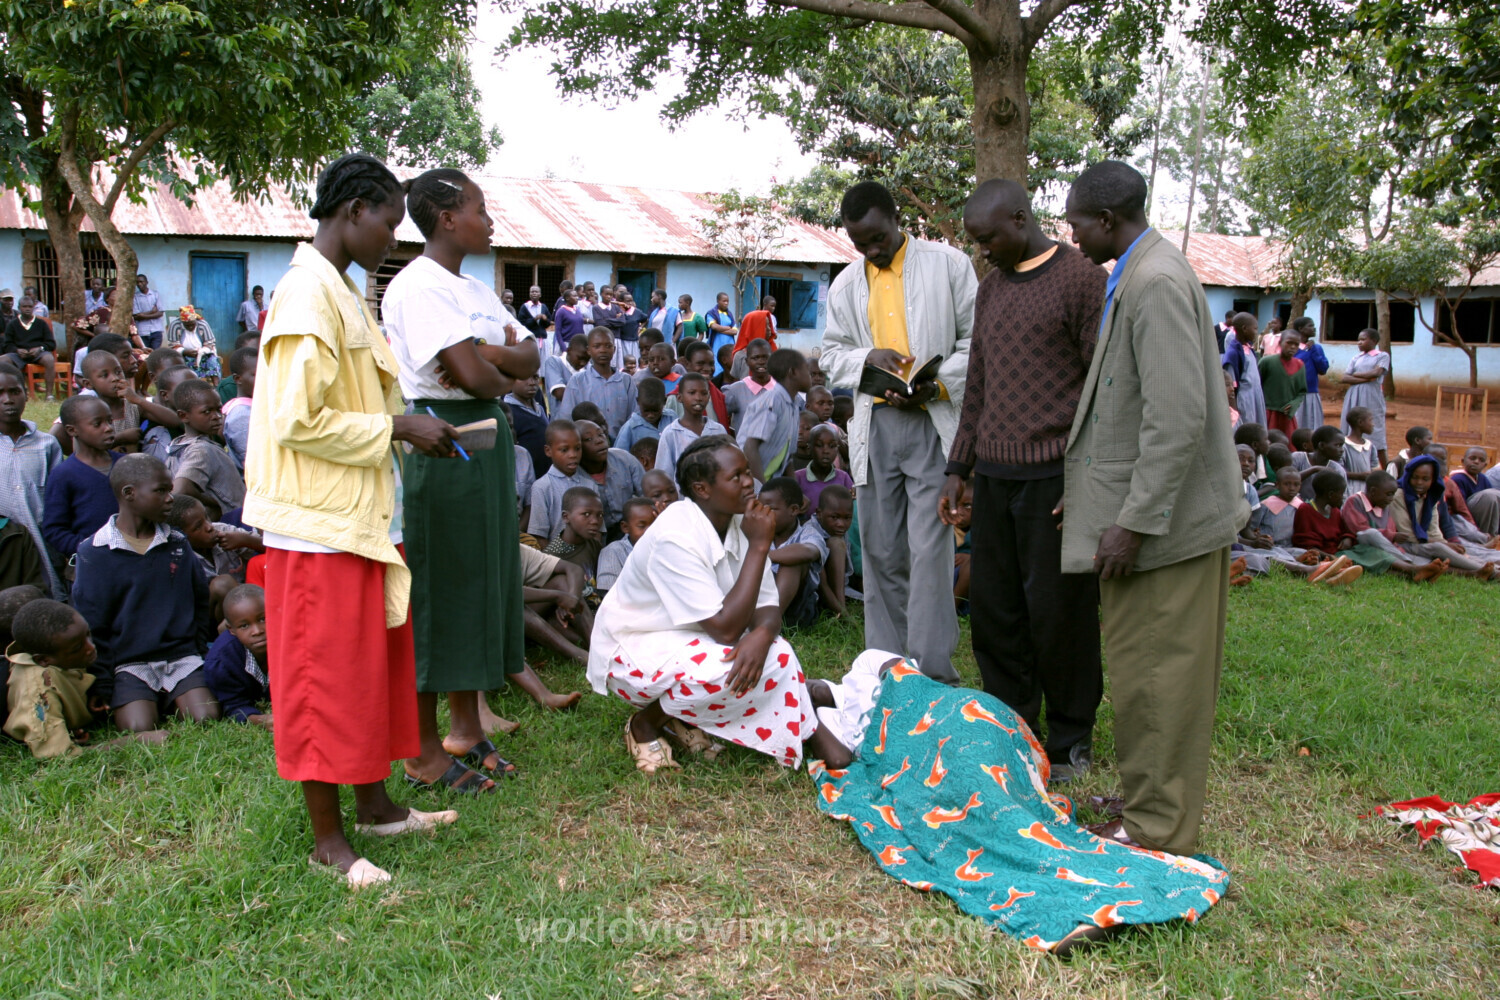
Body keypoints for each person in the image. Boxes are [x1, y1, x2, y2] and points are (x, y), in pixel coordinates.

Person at [244, 153, 464, 886]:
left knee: (369, 670)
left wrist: (405, 428)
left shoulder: (341, 289)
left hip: (360, 515)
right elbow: (296, 419)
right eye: (389, 223)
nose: (393, 240)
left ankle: (375, 807)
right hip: (316, 526)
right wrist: (400, 428)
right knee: (324, 679)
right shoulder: (305, 295)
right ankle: (328, 842)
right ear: (353, 210)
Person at [1060, 161, 1244, 854]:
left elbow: (1175, 419)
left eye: (1077, 223)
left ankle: (1158, 828)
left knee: (1162, 679)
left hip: (1167, 529)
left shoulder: (1157, 280)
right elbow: (1129, 409)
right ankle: (1146, 801)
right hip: (1150, 519)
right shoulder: (1138, 273)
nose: (1073, 235)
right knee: (1141, 673)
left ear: (1108, 220)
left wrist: (1133, 522)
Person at [383, 167, 545, 791]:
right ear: (448, 218)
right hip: (443, 438)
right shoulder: (418, 287)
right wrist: (493, 364)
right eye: (480, 208)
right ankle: (423, 748)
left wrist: (491, 356)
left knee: (480, 578)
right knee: (443, 584)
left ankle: (465, 728)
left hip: (487, 433)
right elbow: (470, 378)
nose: (490, 219)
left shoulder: (473, 288)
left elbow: (529, 358)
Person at [938, 178, 1106, 781]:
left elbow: (1102, 388)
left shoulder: (1082, 279)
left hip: (1055, 478)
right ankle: (1012, 727)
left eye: (987, 239)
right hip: (993, 476)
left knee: (1059, 614)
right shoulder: (990, 288)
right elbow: (978, 385)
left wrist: (1087, 480)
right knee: (995, 612)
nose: (982, 251)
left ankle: (1069, 739)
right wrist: (958, 468)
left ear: (1019, 218)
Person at [587, 435, 846, 773]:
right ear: (702, 489)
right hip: (634, 646)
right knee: (728, 668)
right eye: (735, 476)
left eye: (747, 472)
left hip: (694, 635)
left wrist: (763, 634)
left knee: (777, 653)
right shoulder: (675, 536)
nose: (749, 482)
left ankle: (799, 724)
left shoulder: (739, 520)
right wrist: (760, 546)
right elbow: (725, 631)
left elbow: (768, 606)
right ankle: (645, 724)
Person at [821, 180, 974, 685]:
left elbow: (977, 343)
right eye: (860, 242)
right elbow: (831, 356)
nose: (871, 249)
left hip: (932, 420)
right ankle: (888, 670)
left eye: (878, 238)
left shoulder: (949, 265)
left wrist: (935, 383)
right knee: (882, 550)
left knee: (930, 550)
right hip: (875, 425)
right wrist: (870, 358)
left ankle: (933, 673)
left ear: (895, 219)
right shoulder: (846, 284)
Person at [71, 454, 220, 735]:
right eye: (160, 491)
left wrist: (199, 652)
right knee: (138, 727)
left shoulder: (177, 543)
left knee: (206, 716)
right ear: (129, 493)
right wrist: (102, 681)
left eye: (170, 490)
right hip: (130, 663)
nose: (170, 499)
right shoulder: (95, 552)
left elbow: (199, 601)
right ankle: (151, 698)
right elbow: (93, 622)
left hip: (181, 656)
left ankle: (173, 693)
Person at [0, 364, 64, 597]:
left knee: (45, 596)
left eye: (14, 391)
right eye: (0, 393)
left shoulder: (46, 444)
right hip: (5, 546)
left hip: (42, 540)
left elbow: (57, 497)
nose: (8, 400)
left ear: (26, 394)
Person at [42, 396, 121, 559]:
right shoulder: (64, 474)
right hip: (92, 562)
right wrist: (86, 549)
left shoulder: (126, 465)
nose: (108, 428)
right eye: (97, 424)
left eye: (109, 421)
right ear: (72, 430)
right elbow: (54, 530)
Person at [1391, 455, 1494, 579]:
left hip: (1424, 542)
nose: (1419, 482)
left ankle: (1488, 566)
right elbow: (1407, 534)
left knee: (1458, 549)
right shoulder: (1398, 495)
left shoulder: (1431, 495)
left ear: (1433, 480)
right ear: (1408, 476)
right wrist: (1443, 545)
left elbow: (1434, 530)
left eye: (1425, 479)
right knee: (1438, 549)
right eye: (1415, 477)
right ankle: (1492, 572)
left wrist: (1447, 544)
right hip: (1404, 544)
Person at [165, 378, 244, 521]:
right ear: (183, 416)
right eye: (207, 412)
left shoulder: (178, 444)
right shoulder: (200, 450)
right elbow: (181, 489)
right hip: (231, 521)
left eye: (218, 410)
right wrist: (216, 504)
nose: (217, 417)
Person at [203, 583, 273, 729]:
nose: (257, 631)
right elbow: (233, 706)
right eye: (244, 626)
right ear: (231, 629)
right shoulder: (221, 662)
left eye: (263, 619)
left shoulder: (291, 643)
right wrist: (260, 720)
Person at [739, 347, 811, 484]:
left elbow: (786, 457)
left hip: (769, 483)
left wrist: (795, 490)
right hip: (749, 483)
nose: (810, 376)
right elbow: (750, 446)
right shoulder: (772, 401)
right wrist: (761, 488)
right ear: (793, 372)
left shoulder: (793, 406)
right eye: (807, 370)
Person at [560, 326, 636, 440]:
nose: (603, 350)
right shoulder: (577, 381)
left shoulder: (626, 381)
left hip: (622, 444)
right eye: (597, 346)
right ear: (589, 350)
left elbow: (634, 416)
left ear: (614, 349)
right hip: (588, 444)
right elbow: (567, 418)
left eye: (608, 346)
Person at [576, 418, 646, 538]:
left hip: (631, 530)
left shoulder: (624, 459)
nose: (599, 440)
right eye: (588, 439)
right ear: (577, 447)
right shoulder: (573, 477)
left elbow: (646, 494)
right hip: (595, 537)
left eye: (600, 434)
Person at [528, 419, 596, 543]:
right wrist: (552, 555)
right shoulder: (542, 487)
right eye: (564, 450)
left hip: (587, 551)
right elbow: (539, 535)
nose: (573, 455)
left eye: (577, 448)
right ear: (548, 451)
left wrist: (592, 552)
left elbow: (598, 532)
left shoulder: (590, 485)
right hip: (553, 553)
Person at [655, 372, 727, 485]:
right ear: (679, 397)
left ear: (709, 397)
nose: (698, 398)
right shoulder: (671, 433)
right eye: (692, 393)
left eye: (704, 393)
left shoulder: (718, 430)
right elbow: (663, 474)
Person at [541, 486, 605, 595]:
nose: (595, 521)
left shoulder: (594, 546)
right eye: (586, 514)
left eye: (600, 515)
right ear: (566, 517)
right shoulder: (552, 556)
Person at [1340, 328, 1390, 468]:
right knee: (1351, 425)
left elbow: (1377, 372)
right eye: (1358, 340)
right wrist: (1367, 378)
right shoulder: (1356, 358)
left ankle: (1387, 469)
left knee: (1376, 430)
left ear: (1374, 341)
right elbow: (1344, 377)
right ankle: (1349, 466)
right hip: (1353, 395)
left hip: (1371, 396)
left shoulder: (1382, 356)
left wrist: (1356, 375)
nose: (1359, 342)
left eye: (1363, 339)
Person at [1, 296, 57, 399]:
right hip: (18, 355)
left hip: (38, 354)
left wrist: (40, 349)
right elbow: (7, 344)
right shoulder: (12, 324)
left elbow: (51, 343)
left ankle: (49, 394)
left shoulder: (41, 323)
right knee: (2, 360)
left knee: (49, 359)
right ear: (19, 308)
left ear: (33, 307)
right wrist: (16, 350)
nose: (27, 309)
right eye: (24, 306)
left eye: (30, 306)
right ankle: (12, 392)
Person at [597, 496, 654, 593]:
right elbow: (608, 593)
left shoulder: (663, 548)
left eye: (654, 525)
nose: (650, 531)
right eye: (641, 526)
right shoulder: (613, 552)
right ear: (625, 527)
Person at [669, 340, 731, 428]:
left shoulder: (718, 396)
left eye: (711, 364)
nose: (707, 368)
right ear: (687, 364)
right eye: (700, 363)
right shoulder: (675, 398)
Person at [1222, 312, 1267, 430]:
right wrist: (1234, 412)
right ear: (1244, 329)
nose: (1256, 332)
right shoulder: (1233, 354)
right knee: (1248, 428)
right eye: (1255, 329)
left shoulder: (1249, 349)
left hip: (1255, 396)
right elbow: (1231, 387)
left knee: (1258, 428)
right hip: (1245, 400)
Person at [795, 424, 854, 514]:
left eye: (832, 446)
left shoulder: (843, 478)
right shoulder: (798, 477)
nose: (826, 451)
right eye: (819, 445)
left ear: (837, 449)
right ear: (809, 448)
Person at [1258, 327, 1306, 437]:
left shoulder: (1299, 365)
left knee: (1288, 442)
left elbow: (1301, 392)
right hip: (1268, 412)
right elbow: (1258, 386)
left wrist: (1294, 404)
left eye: (1296, 344)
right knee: (1267, 440)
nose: (1293, 347)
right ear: (1280, 343)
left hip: (1286, 415)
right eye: (1289, 343)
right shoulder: (1267, 362)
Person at [721, 337, 775, 433]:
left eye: (765, 357)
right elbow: (719, 416)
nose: (761, 362)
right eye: (755, 358)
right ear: (747, 361)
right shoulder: (735, 391)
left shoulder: (783, 390)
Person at [614, 376, 677, 454]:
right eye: (646, 411)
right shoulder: (630, 428)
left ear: (665, 401)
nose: (650, 415)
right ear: (638, 401)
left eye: (655, 411)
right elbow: (620, 455)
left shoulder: (672, 418)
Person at [506, 372, 551, 474]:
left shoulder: (539, 408)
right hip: (525, 476)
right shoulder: (508, 412)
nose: (532, 382)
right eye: (524, 377)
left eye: (535, 377)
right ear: (511, 380)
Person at [223, 347, 258, 471]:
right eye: (256, 375)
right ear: (238, 379)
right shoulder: (242, 414)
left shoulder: (252, 405)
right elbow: (252, 461)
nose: (263, 379)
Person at [1291, 317, 1329, 430]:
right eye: (1310, 326)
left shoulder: (1316, 348)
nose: (1314, 328)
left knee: (1312, 426)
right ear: (1300, 329)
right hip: (1294, 394)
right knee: (1295, 425)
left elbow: (1323, 369)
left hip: (1311, 393)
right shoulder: (1293, 348)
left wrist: (1314, 351)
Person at [1292, 425, 1347, 502]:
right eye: (1337, 445)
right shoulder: (1298, 458)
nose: (1342, 450)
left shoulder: (1337, 470)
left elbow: (1340, 499)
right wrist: (1315, 469)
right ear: (1321, 445)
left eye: (1342, 446)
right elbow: (1287, 480)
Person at [1453, 445, 1500, 535]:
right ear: (1463, 461)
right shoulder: (1458, 479)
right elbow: (1459, 507)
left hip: (1483, 515)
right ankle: (1484, 535)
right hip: (1465, 519)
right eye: (1472, 458)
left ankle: (1493, 534)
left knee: (1495, 496)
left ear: (1485, 465)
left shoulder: (1483, 478)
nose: (1476, 462)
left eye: (1481, 460)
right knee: (1490, 496)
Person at [545, 330, 588, 409]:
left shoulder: (588, 368)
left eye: (587, 360)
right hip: (561, 416)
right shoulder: (554, 362)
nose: (583, 363)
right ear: (568, 350)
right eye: (580, 358)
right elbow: (560, 393)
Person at [1340, 406, 1377, 495]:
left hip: (1366, 492)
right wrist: (1359, 476)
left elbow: (1374, 467)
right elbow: (1338, 471)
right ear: (1360, 422)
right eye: (1370, 420)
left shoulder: (1370, 446)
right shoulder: (1343, 446)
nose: (1373, 424)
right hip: (1348, 492)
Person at [705, 292, 737, 375]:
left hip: (729, 345)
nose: (726, 303)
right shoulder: (711, 313)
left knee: (730, 364)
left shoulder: (729, 314)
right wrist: (727, 328)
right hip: (716, 345)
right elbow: (714, 326)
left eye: (727, 301)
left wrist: (720, 329)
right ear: (718, 301)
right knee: (717, 365)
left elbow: (735, 331)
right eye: (724, 301)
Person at [552, 288, 585, 357]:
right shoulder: (561, 311)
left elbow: (581, 328)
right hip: (566, 344)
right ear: (567, 298)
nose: (577, 298)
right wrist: (564, 348)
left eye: (577, 296)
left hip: (577, 344)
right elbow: (558, 331)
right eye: (574, 296)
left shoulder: (578, 311)